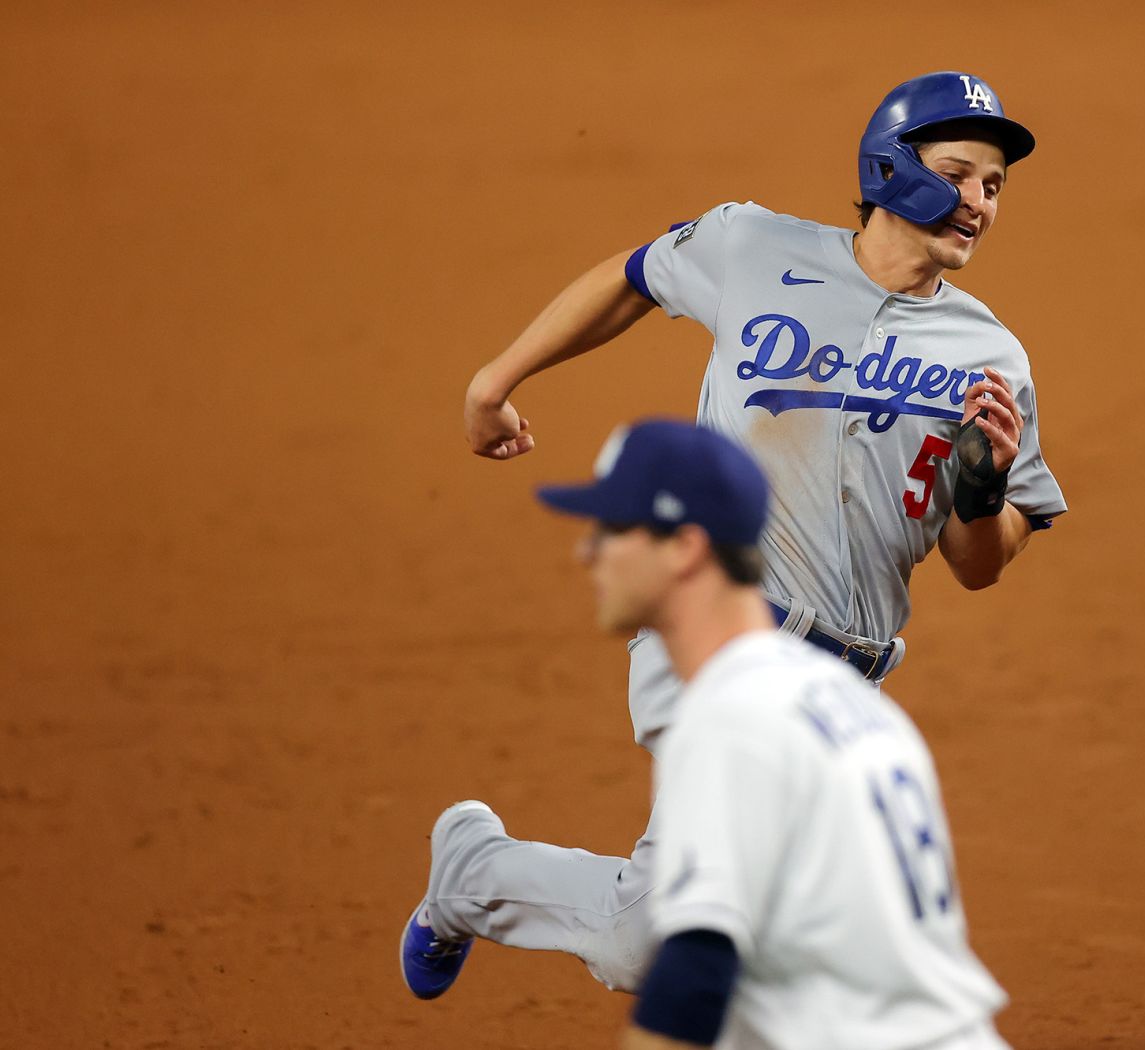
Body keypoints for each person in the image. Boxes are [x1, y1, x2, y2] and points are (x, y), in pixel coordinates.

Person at [401, 71, 1067, 999]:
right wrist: (493, 383)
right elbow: (631, 280)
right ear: (892, 167)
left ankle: (475, 876)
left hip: (840, 692)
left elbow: (978, 564)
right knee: (686, 944)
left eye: (995, 187)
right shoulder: (753, 247)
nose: (980, 204)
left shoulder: (991, 358)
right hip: (718, 638)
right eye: (960, 173)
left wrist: (980, 482)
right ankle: (475, 871)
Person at [456, 420, 1019, 1049]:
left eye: (614, 529)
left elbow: (695, 975)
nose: (588, 551)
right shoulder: (858, 707)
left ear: (684, 548)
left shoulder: (732, 719)